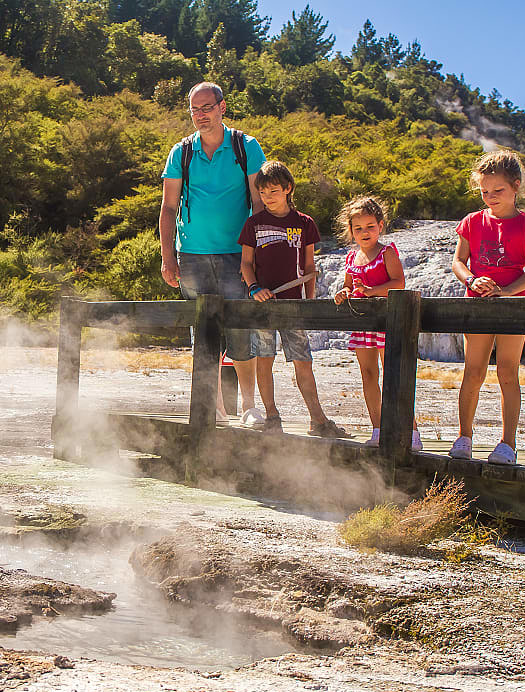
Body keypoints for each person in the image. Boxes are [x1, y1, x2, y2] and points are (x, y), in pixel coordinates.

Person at [159, 82, 266, 422]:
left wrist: (255, 255)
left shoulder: (246, 147)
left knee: (240, 331)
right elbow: (167, 208)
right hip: (192, 256)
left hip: (237, 256)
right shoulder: (181, 152)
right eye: (194, 109)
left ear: (222, 107)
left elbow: (259, 203)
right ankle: (215, 409)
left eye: (206, 107)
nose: (200, 115)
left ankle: (249, 406)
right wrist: (167, 257)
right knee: (204, 337)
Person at [237, 160, 349, 438]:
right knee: (264, 357)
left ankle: (318, 420)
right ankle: (272, 416)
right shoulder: (254, 223)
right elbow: (246, 264)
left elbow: (310, 268)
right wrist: (253, 289)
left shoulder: (304, 223)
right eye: (263, 193)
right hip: (262, 305)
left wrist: (307, 303)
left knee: (303, 361)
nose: (267, 197)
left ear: (288, 188)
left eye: (273, 191)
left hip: (294, 305)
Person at [449, 150, 525, 465]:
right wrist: (472, 281)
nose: (490, 197)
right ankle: (464, 437)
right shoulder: (472, 221)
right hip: (477, 306)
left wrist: (507, 292)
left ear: (516, 186)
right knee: (473, 371)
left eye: (498, 191)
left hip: (513, 306)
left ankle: (508, 444)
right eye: (484, 191)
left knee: (507, 372)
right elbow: (459, 262)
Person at [333, 196, 420, 450]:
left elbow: (398, 283)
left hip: (387, 322)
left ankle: (410, 431)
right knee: (368, 375)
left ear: (380, 226)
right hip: (362, 325)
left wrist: (372, 291)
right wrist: (343, 293)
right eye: (358, 228)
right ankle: (378, 428)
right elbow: (349, 287)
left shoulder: (387, 252)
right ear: (351, 231)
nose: (365, 232)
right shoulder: (351, 258)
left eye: (370, 226)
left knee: (394, 375)